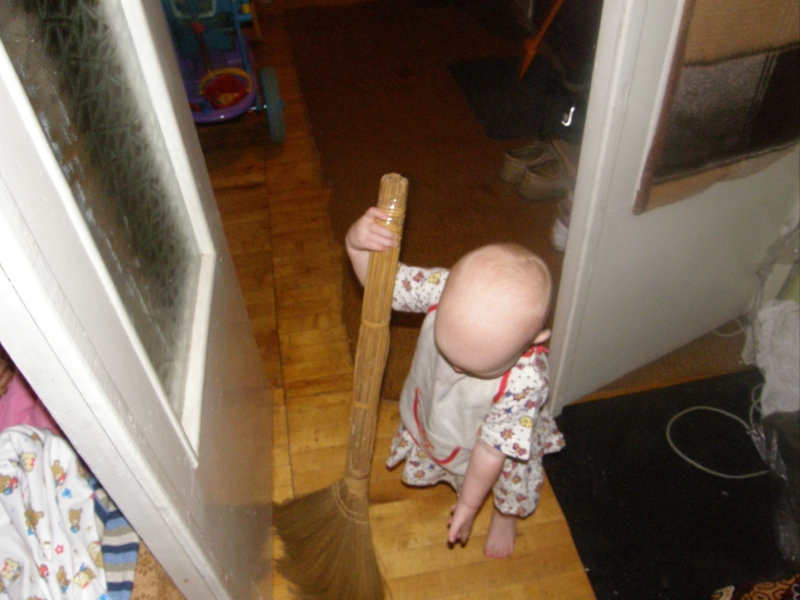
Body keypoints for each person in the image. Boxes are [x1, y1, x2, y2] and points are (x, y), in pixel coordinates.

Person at [346, 207, 565, 559]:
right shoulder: (443, 288)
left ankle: (505, 516)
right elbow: (383, 287)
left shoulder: (525, 383)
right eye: (448, 352)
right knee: (443, 433)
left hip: (498, 441)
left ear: (533, 342)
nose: (456, 368)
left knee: (509, 479)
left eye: (474, 367)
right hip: (443, 406)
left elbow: (489, 453)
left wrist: (469, 505)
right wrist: (357, 246)